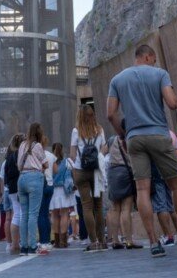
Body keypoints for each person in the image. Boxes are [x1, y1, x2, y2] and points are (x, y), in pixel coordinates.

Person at [107, 43, 177, 258]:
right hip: (158, 134)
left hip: (134, 138)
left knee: (143, 190)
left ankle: (155, 243)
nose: (155, 63)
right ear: (148, 57)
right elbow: (172, 102)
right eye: (154, 59)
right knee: (176, 187)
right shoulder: (160, 74)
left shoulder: (117, 80)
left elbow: (111, 114)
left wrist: (122, 135)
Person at [70, 104, 108, 253]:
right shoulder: (99, 129)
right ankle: (103, 241)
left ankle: (93, 242)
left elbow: (72, 155)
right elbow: (104, 148)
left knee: (87, 206)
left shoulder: (76, 131)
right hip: (96, 172)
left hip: (81, 171)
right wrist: (98, 155)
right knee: (98, 207)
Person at [106, 120, 141, 250]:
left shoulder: (111, 140)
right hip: (125, 172)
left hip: (112, 172)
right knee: (126, 208)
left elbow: (103, 151)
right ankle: (129, 240)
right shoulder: (130, 139)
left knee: (115, 209)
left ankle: (115, 240)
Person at [18, 122, 49, 255]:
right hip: (34, 177)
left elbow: (18, 164)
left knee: (23, 214)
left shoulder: (22, 145)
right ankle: (32, 246)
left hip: (22, 178)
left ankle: (23, 246)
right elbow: (46, 164)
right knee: (33, 214)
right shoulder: (37, 146)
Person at [50, 142, 76, 248]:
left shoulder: (50, 161)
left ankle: (56, 241)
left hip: (53, 190)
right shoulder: (67, 161)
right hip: (64, 190)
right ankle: (63, 241)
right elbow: (74, 173)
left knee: (54, 215)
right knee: (65, 214)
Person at [2, 133, 25, 254]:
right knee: (22, 214)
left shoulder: (8, 158)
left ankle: (14, 244)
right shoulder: (19, 155)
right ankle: (22, 242)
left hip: (11, 188)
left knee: (16, 214)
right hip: (20, 187)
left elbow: (5, 176)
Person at [38, 135, 57, 253]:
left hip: (41, 185)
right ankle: (48, 241)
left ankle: (43, 241)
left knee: (40, 214)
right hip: (50, 186)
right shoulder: (51, 155)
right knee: (46, 214)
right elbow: (56, 170)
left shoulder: (37, 155)